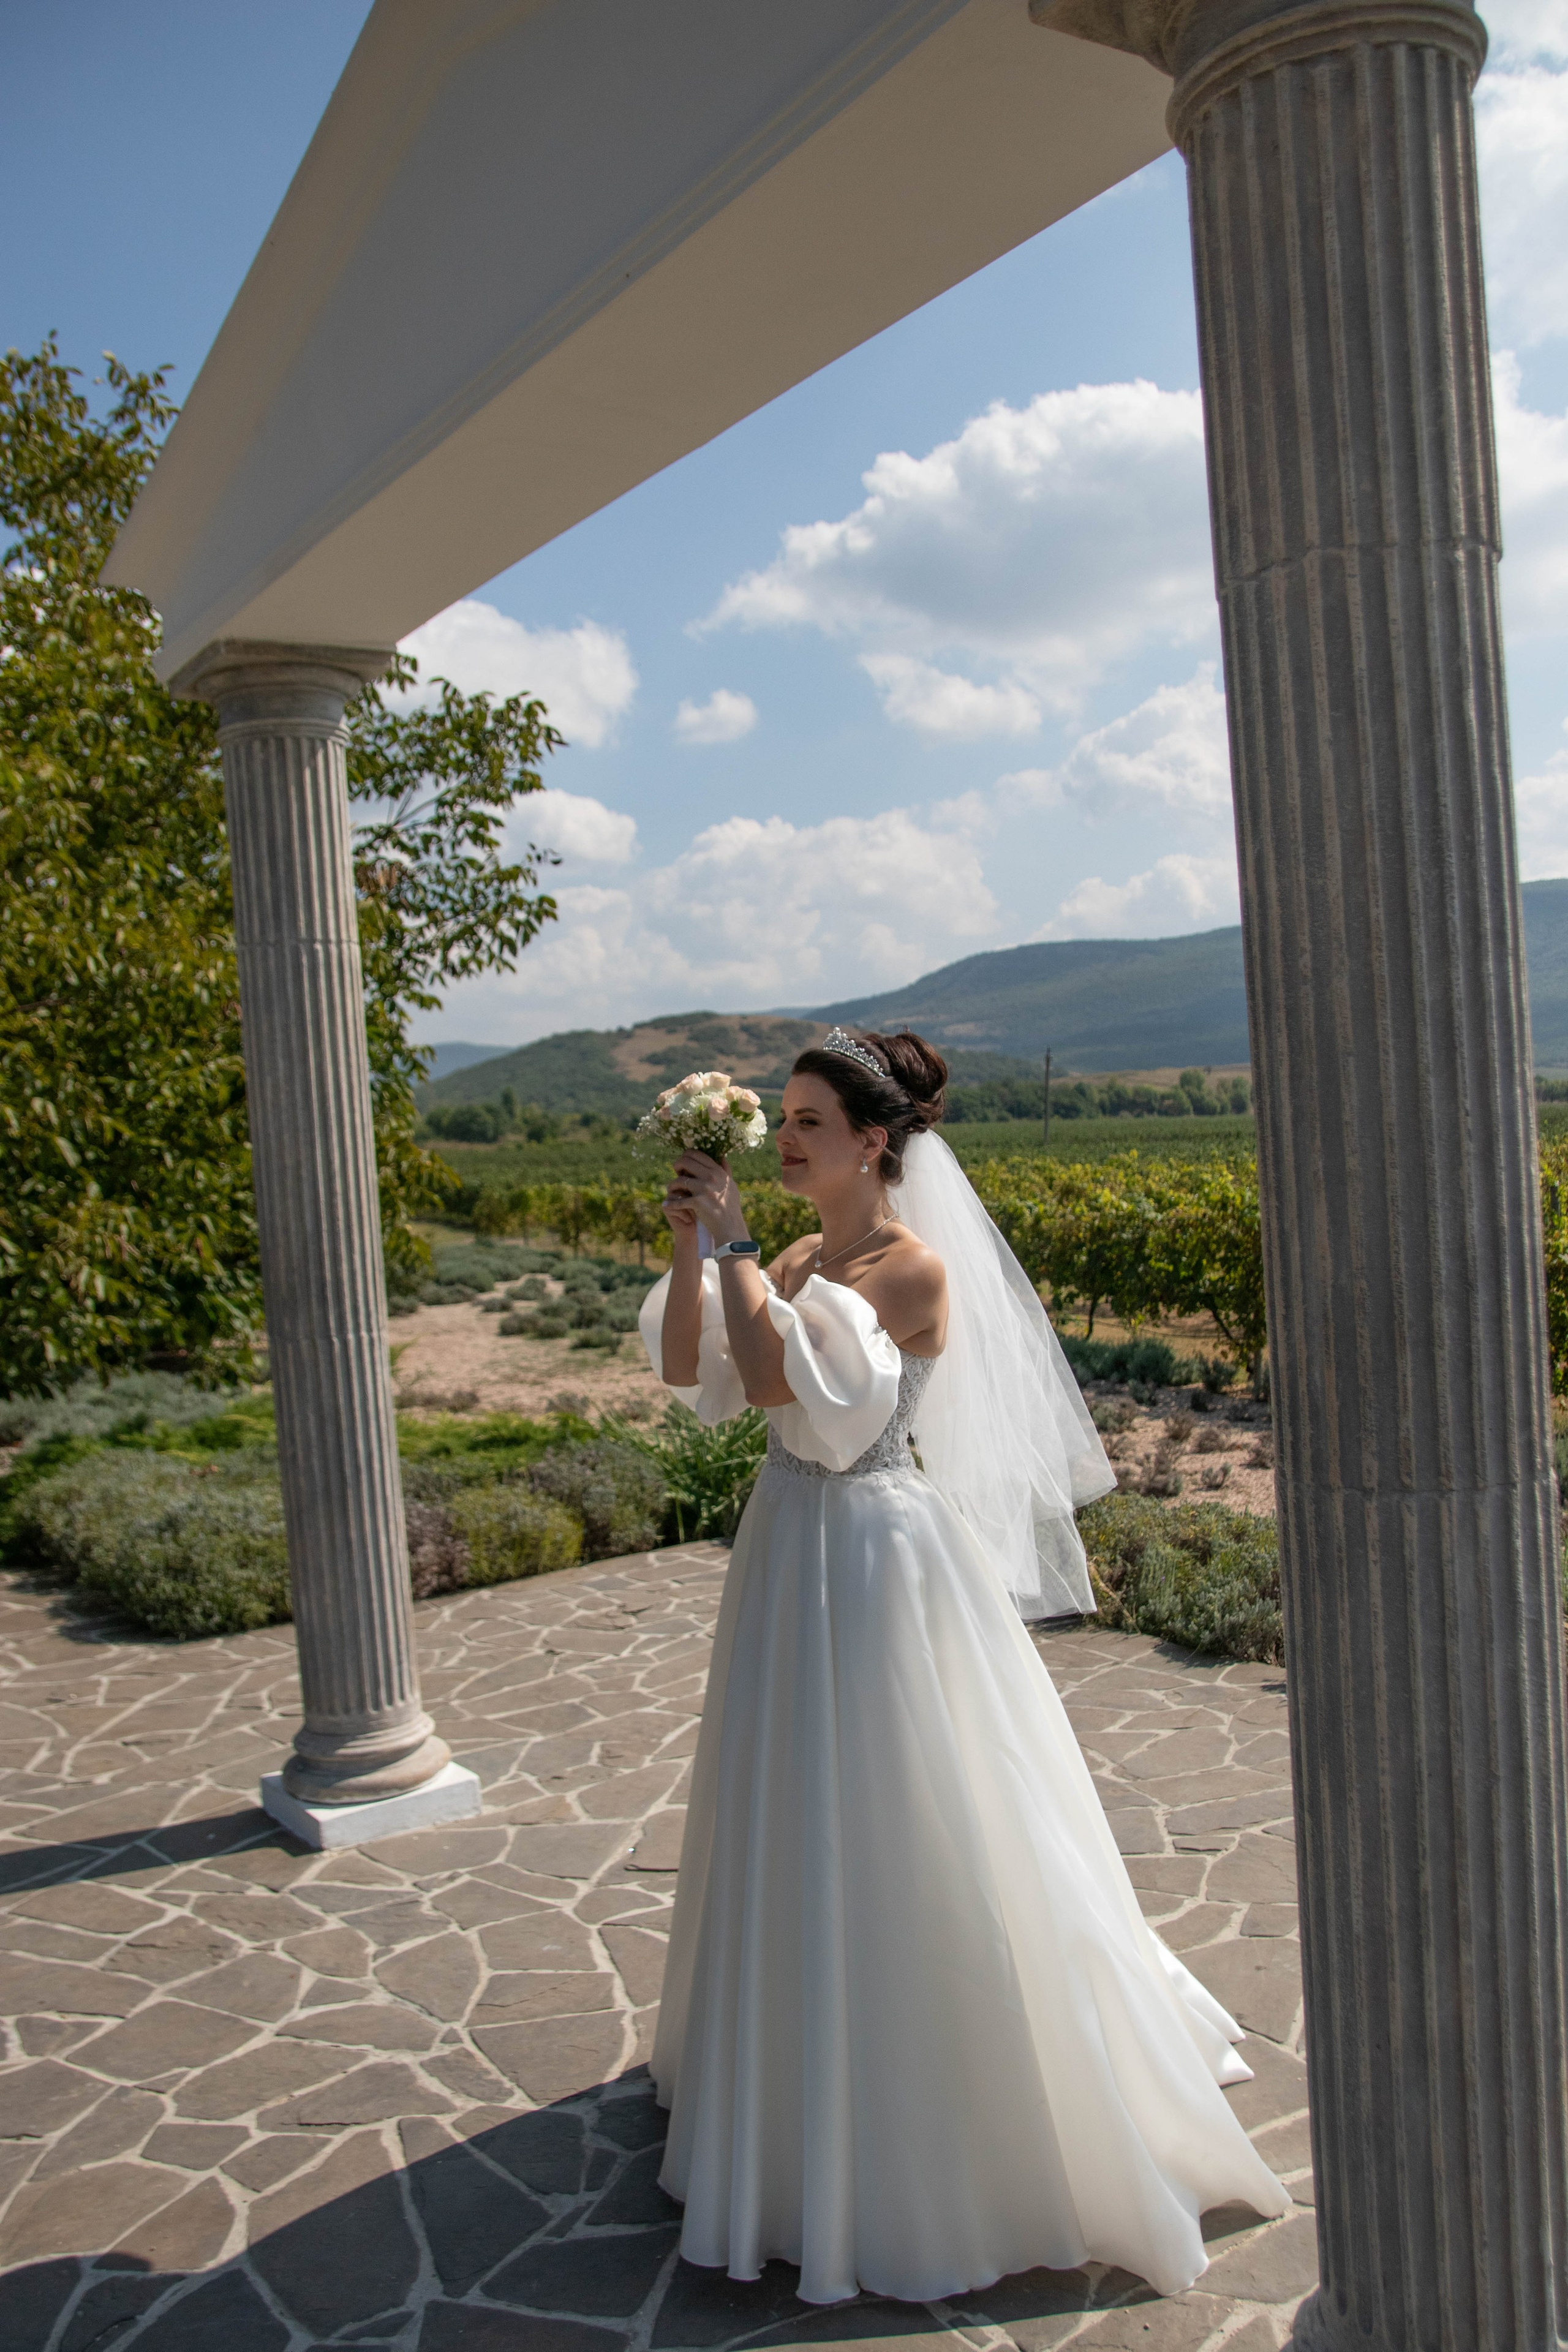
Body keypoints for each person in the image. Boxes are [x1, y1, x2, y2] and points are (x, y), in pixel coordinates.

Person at [638, 1026, 1289, 2306]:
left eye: (808, 1122)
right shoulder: (791, 1253)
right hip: (788, 1554)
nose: (783, 1140)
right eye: (781, 1119)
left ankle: (950, 2104)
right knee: (793, 1809)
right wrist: (689, 1242)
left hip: (875, 1557)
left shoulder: (907, 1269)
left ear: (874, 1141)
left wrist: (725, 1251)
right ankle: (789, 2085)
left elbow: (788, 1395)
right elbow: (688, 1368)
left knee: (911, 1813)